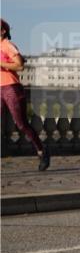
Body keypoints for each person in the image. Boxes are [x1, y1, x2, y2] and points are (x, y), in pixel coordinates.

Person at [1, 18, 49, 171]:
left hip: (11, 88)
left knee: (21, 124)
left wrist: (1, 64)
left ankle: (42, 151)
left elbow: (20, 65)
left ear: (3, 31)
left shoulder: (7, 45)